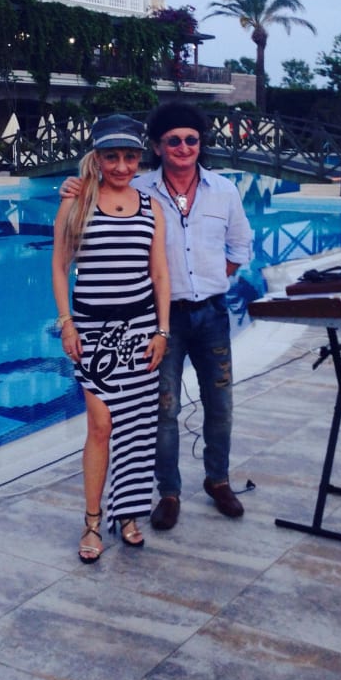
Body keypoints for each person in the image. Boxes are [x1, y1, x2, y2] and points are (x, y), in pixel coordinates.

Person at [61, 101, 252, 531]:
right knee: (163, 409)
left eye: (191, 139)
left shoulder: (224, 190)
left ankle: (218, 480)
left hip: (211, 314)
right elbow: (97, 191)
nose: (184, 147)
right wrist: (72, 187)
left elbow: (241, 245)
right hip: (159, 320)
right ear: (158, 146)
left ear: (200, 143)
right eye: (174, 140)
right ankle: (168, 492)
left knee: (220, 403)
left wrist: (212, 278)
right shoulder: (139, 188)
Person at [52, 113, 170, 563]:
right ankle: (92, 521)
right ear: (97, 158)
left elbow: (160, 274)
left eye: (130, 157)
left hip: (140, 330)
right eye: (112, 157)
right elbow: (59, 266)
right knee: (101, 425)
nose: (122, 166)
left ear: (140, 158)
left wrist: (162, 331)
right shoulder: (76, 200)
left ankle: (128, 513)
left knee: (138, 427)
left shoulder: (150, 206)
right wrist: (66, 323)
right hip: (94, 332)